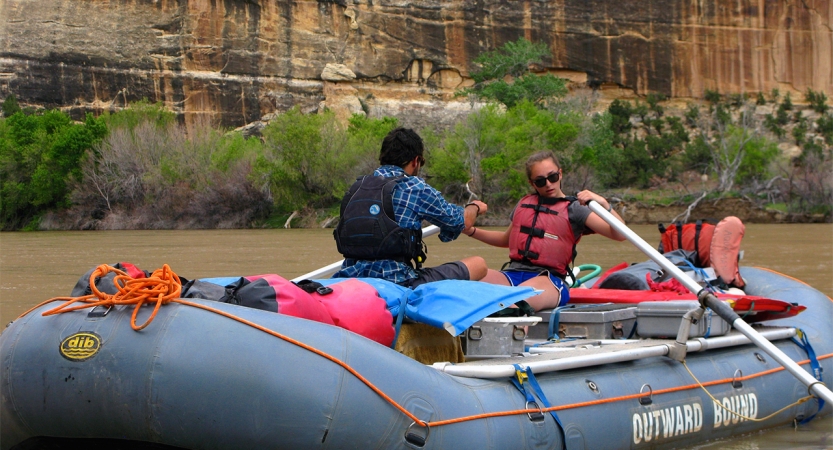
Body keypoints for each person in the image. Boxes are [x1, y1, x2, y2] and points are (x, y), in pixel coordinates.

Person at [465, 151, 626, 312]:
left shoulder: (576, 209)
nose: (548, 184)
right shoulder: (524, 203)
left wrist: (604, 204)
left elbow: (620, 234)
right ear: (532, 183)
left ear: (560, 174)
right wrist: (470, 231)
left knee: (516, 302)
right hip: (512, 274)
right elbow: (506, 240)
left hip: (549, 280)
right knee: (464, 290)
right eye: (540, 181)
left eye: (552, 177)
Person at [333, 127, 489, 288]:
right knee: (478, 264)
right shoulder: (414, 187)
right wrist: (475, 207)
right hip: (398, 282)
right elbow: (463, 221)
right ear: (415, 161)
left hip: (349, 278)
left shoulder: (356, 187)